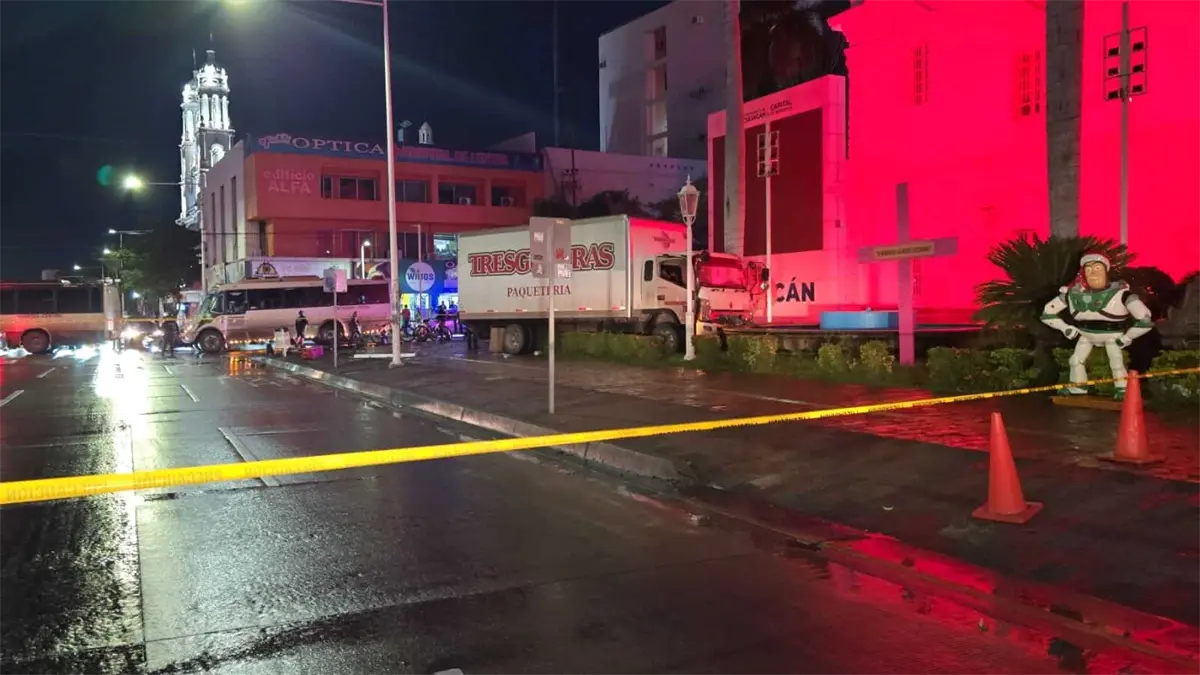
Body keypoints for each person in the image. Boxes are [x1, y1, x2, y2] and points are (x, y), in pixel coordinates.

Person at [1041, 253, 1153, 400]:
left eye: (1097, 268)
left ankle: (1122, 388)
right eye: (1088, 269)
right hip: (1085, 335)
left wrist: (1128, 337)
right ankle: (1078, 386)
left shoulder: (1122, 294)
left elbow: (1145, 320)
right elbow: (1047, 313)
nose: (1092, 273)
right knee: (1075, 361)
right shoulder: (1072, 294)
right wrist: (1064, 328)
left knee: (1116, 363)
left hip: (1112, 335)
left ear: (1106, 271)